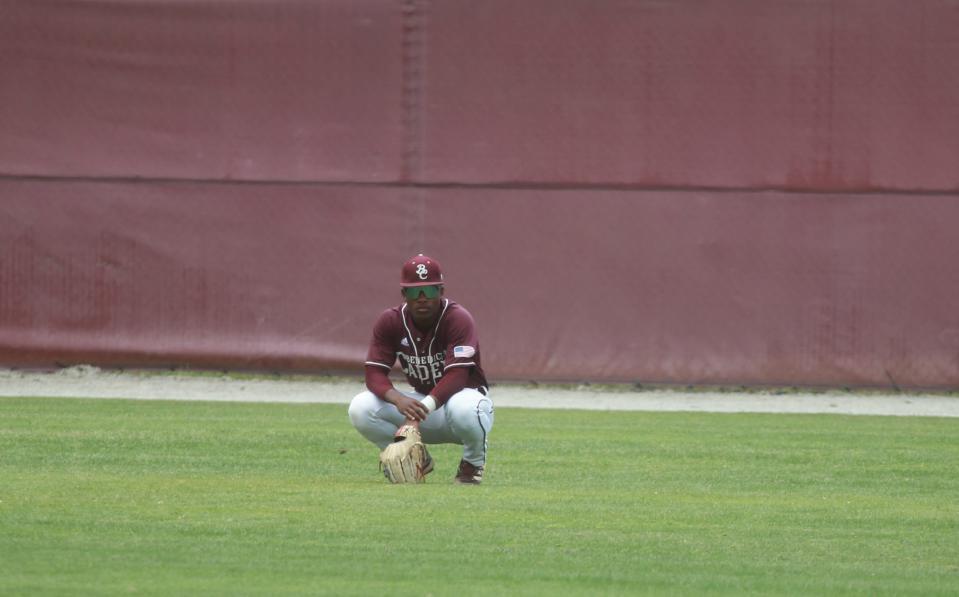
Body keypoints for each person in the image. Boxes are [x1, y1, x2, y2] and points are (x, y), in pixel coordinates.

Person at [348, 254, 493, 484]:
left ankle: (472, 464)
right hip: (426, 407)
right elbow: (374, 373)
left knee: (467, 409)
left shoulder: (458, 318)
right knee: (360, 407)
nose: (423, 298)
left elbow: (457, 376)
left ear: (441, 290)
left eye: (430, 290)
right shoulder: (390, 321)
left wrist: (418, 411)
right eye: (415, 292)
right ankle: (413, 457)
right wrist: (398, 400)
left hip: (461, 404)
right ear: (404, 295)